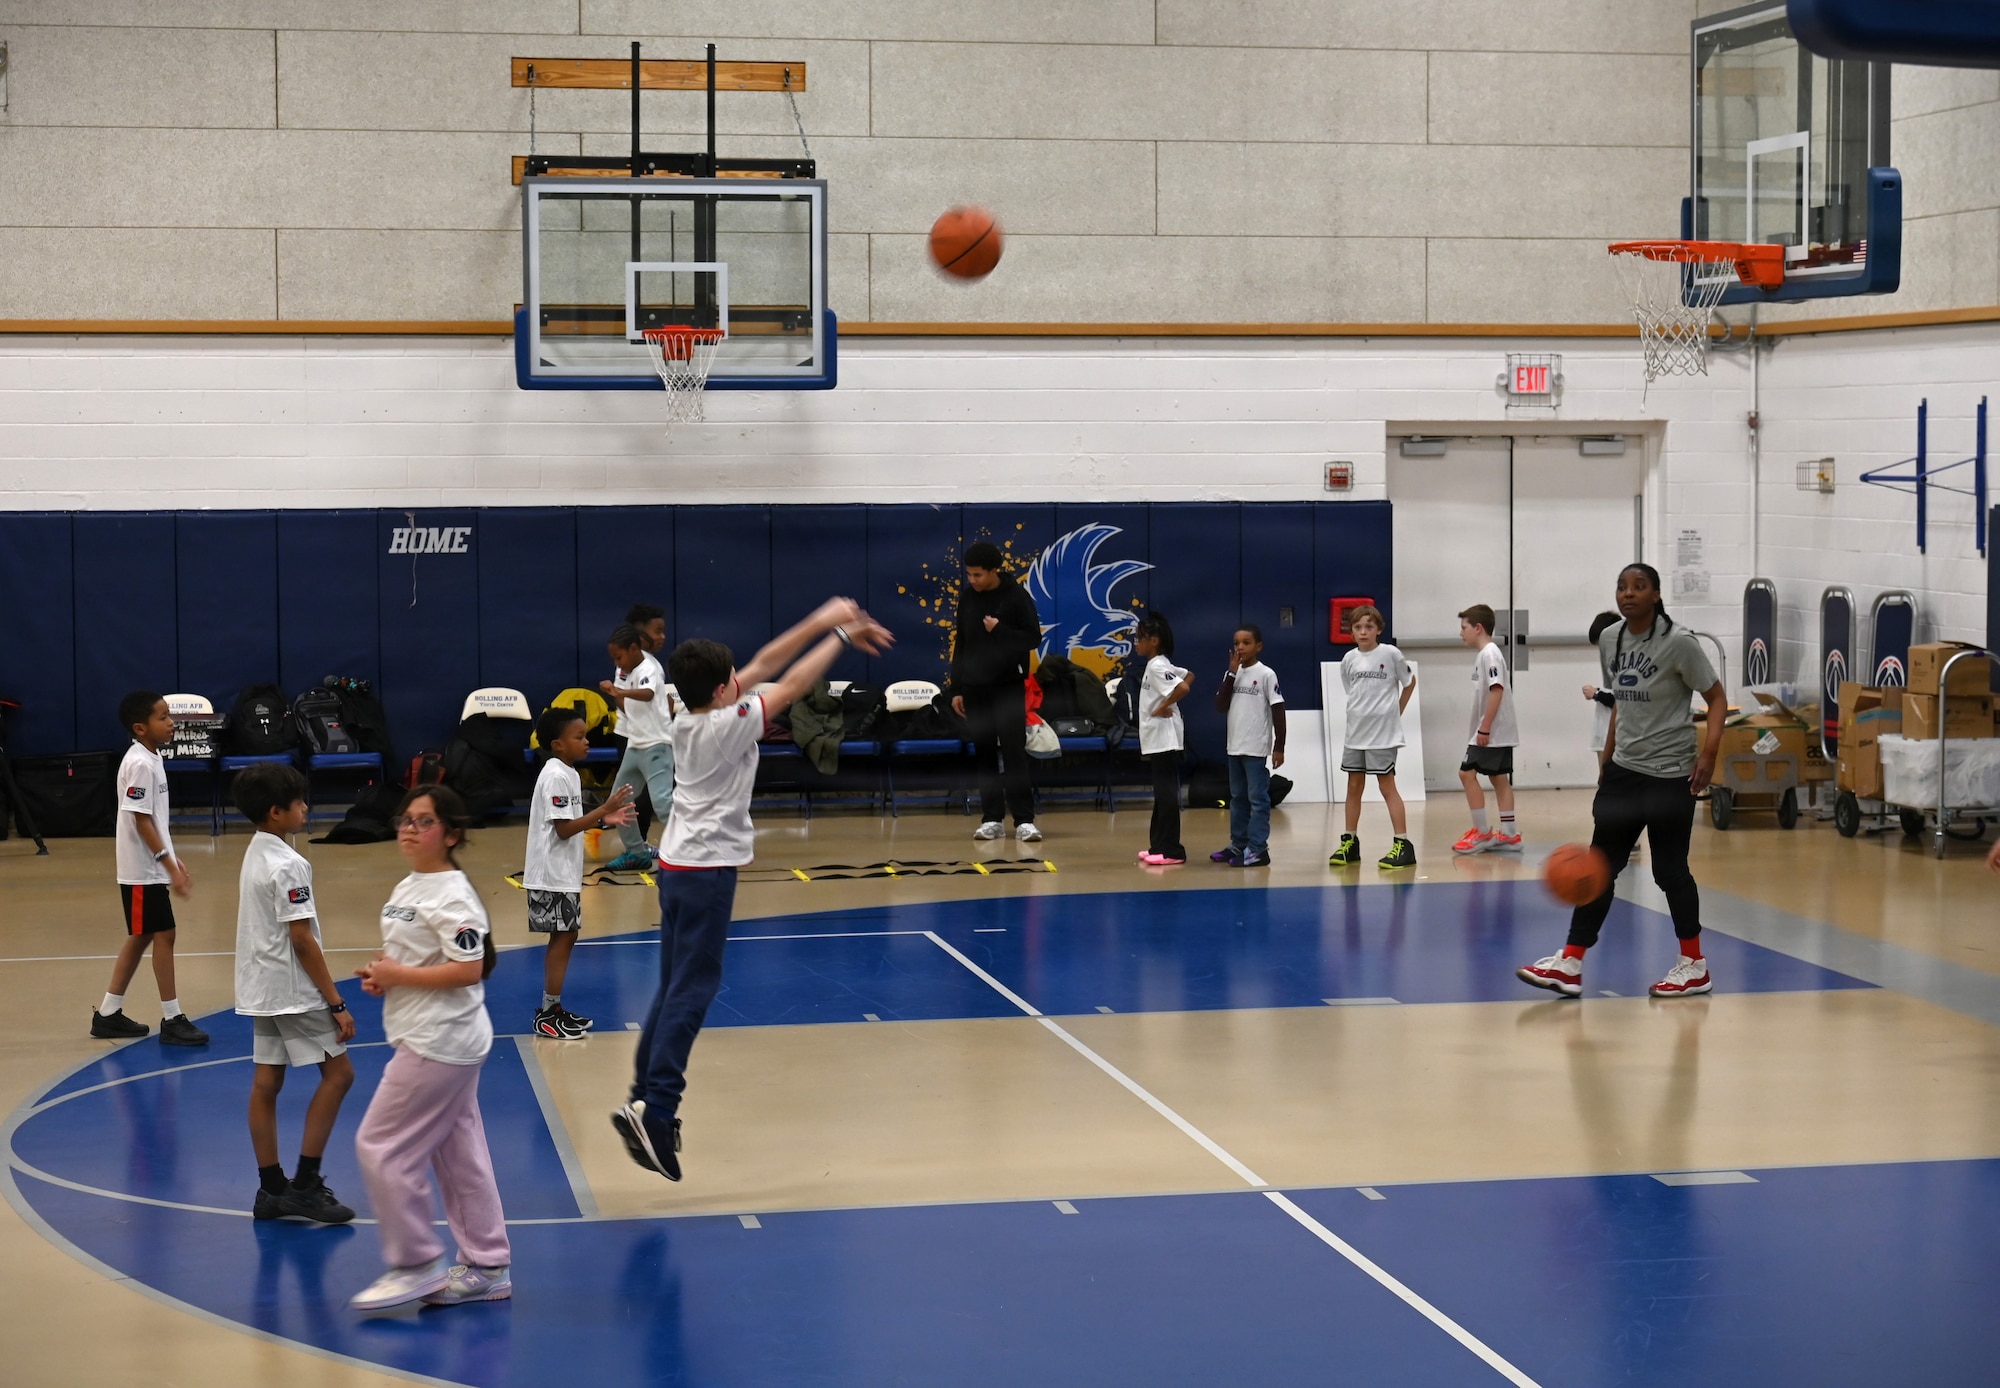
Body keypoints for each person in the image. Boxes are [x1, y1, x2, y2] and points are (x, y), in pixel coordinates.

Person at [613, 598, 892, 1182]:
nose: (743, 680)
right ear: (721, 691)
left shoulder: (682, 711)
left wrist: (824, 618)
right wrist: (840, 633)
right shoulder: (724, 727)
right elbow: (787, 683)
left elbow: (766, 661)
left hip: (676, 864)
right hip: (708, 872)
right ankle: (660, 1111)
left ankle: (641, 1097)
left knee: (671, 986)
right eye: (733, 680)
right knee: (694, 991)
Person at [1517, 563, 1728, 1000]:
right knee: (1599, 867)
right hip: (1624, 773)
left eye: (1639, 586)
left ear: (1655, 595)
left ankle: (1694, 965)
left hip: (1671, 774)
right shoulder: (1611, 639)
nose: (1628, 593)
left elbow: (1717, 698)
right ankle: (1571, 962)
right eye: (1622, 587)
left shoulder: (1680, 643)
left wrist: (1708, 754)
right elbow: (1620, 705)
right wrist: (1608, 761)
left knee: (1670, 873)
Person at [349, 785, 510, 1311]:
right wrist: (386, 976)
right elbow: (416, 959)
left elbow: (468, 968)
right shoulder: (410, 885)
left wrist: (400, 974)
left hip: (438, 1042)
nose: (409, 829)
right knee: (459, 1151)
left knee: (381, 1145)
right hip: (438, 1035)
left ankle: (416, 1261)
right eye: (406, 820)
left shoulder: (454, 895)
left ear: (452, 834)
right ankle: (488, 1265)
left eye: (424, 822)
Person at [232, 761, 357, 1224]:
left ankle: (270, 1190)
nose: (306, 807)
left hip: (261, 987)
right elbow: (302, 939)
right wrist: (336, 1002)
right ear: (275, 812)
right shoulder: (289, 864)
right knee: (340, 1076)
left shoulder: (257, 851)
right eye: (299, 802)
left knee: (266, 1083)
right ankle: (304, 1185)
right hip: (292, 989)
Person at [92, 691, 208, 1045]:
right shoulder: (140, 763)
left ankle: (109, 1014)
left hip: (151, 865)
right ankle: (173, 1019)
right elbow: (140, 821)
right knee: (164, 934)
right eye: (162, 717)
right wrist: (165, 863)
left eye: (169, 715)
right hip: (142, 869)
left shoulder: (151, 758)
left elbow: (154, 820)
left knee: (143, 935)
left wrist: (171, 856)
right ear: (140, 728)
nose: (171, 722)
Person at [525, 707, 638, 1039]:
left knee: (567, 935)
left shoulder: (568, 773)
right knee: (563, 936)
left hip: (561, 873)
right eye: (579, 737)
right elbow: (563, 829)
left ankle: (553, 1008)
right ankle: (547, 1013)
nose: (587, 742)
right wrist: (604, 809)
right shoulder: (556, 775)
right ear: (558, 744)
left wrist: (604, 819)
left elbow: (572, 819)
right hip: (550, 873)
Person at [949, 541, 1043, 843]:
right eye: (969, 575)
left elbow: (1032, 638)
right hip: (975, 690)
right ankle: (991, 819)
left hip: (1007, 688)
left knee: (1014, 754)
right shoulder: (967, 600)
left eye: (978, 575)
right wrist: (957, 688)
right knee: (985, 755)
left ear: (994, 571)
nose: (972, 580)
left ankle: (1025, 821)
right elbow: (961, 644)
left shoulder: (1016, 598)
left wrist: (999, 629)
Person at [1328, 605, 1417, 870]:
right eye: (1358, 627)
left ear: (1378, 629)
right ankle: (1350, 842)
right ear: (1351, 632)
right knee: (1353, 786)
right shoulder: (1349, 659)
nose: (1363, 631)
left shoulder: (1390, 654)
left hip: (1382, 736)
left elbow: (1409, 683)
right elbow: (1351, 691)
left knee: (1386, 786)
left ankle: (1402, 844)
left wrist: (1396, 711)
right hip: (1355, 735)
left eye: (1369, 626)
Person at [600, 622, 677, 873]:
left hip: (657, 744)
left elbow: (647, 694)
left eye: (619, 656)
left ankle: (697, 847)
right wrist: (618, 695)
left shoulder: (649, 667)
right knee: (618, 802)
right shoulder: (624, 669)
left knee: (663, 803)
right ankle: (637, 853)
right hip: (635, 744)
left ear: (634, 649)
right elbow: (627, 704)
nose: (618, 663)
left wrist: (618, 692)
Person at [1210, 625, 1285, 868]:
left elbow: (1278, 711)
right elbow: (1220, 705)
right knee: (1238, 798)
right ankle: (1238, 844)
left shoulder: (1266, 674)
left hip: (1255, 747)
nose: (1240, 647)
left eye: (1246, 642)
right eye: (1236, 643)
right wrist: (1231, 674)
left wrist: (1279, 746)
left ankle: (1258, 849)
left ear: (1258, 646)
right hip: (1235, 746)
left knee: (1257, 798)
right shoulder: (1232, 673)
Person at [1451, 605, 1522, 854]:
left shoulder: (1489, 654)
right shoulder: (1486, 654)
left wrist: (1485, 728)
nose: (1461, 633)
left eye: (1464, 627)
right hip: (1499, 731)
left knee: (1466, 774)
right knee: (1498, 778)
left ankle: (1481, 833)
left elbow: (1497, 688)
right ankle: (1511, 835)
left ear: (1478, 628)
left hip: (1492, 732)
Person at [1132, 612, 1193, 866]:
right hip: (1156, 739)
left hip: (1164, 739)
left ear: (1154, 640)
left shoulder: (1157, 666)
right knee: (1161, 794)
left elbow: (1184, 686)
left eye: (1140, 638)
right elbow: (1188, 674)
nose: (1136, 643)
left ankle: (1172, 850)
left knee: (1166, 795)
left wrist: (1162, 706)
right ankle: (1158, 845)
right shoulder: (1160, 663)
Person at [1581, 610, 1622, 755]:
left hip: (1618, 735)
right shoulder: (1611, 660)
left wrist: (1597, 694)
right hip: (1606, 731)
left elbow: (1621, 699)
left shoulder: (1624, 660)